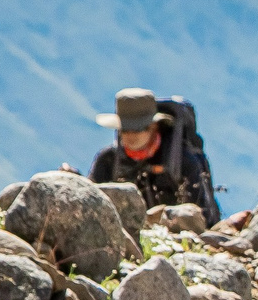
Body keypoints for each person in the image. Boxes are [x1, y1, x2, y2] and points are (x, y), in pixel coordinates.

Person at [92, 88, 219, 224]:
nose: (130, 136)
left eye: (138, 128)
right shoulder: (107, 160)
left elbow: (204, 217)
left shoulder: (183, 161)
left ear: (154, 126)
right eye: (125, 129)